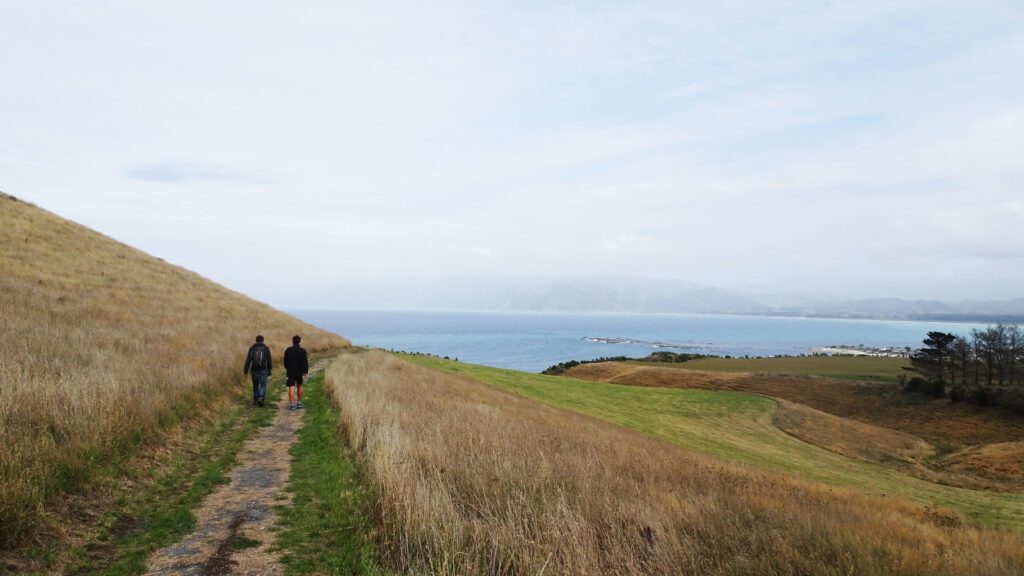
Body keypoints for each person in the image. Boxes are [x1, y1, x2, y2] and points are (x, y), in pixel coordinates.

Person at [243, 335, 272, 407]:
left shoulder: (252, 348)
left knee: (255, 385)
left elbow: (248, 360)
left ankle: (256, 398)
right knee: (263, 384)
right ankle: (261, 398)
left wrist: (245, 371)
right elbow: (269, 360)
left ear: (256, 340)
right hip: (263, 369)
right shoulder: (266, 348)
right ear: (263, 340)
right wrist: (270, 370)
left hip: (254, 369)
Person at [283, 335, 309, 410]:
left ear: (292, 341)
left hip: (290, 371)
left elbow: (285, 361)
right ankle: (299, 403)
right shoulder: (302, 350)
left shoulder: (288, 350)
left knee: (291, 386)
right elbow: (305, 362)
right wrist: (305, 371)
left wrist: (287, 367)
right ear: (299, 341)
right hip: (299, 372)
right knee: (299, 385)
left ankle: (292, 404)